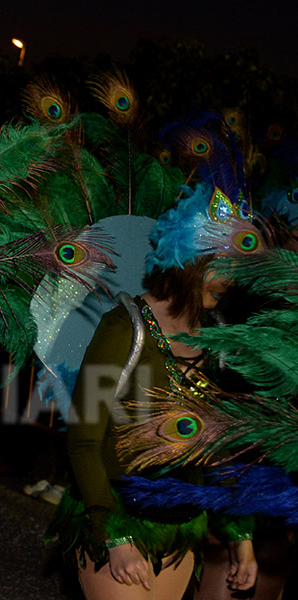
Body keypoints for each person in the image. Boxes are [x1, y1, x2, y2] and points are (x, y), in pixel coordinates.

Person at [50, 185, 260, 599]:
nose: (230, 278)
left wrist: (241, 538)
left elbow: (218, 450)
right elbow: (84, 441)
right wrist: (115, 537)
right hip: (119, 519)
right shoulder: (122, 328)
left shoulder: (218, 339)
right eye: (220, 264)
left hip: (181, 530)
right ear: (187, 262)